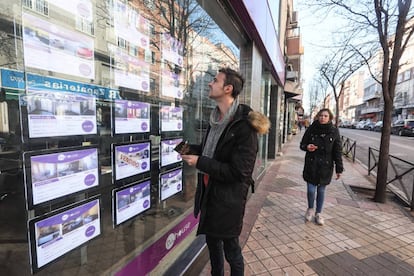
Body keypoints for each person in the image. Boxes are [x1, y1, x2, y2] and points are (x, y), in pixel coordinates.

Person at [180, 67, 270, 276]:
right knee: (212, 246)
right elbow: (210, 152)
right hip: (209, 195)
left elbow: (240, 172)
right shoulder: (216, 119)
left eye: (215, 80)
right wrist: (180, 148)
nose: (210, 84)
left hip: (229, 200)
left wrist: (200, 162)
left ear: (227, 89)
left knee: (232, 251)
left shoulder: (244, 126)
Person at [299, 108, 343, 225]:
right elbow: (302, 144)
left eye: (325, 116)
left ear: (330, 118)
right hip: (311, 164)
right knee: (311, 190)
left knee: (321, 190)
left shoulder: (334, 131)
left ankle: (318, 213)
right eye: (321, 115)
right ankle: (310, 209)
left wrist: (339, 169)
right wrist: (307, 147)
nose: (322, 118)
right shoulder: (312, 129)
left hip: (325, 166)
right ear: (318, 116)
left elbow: (337, 151)